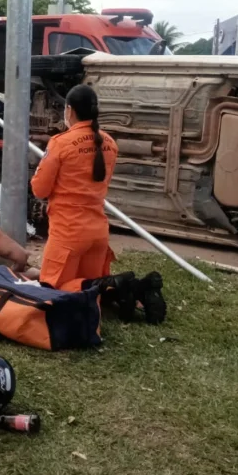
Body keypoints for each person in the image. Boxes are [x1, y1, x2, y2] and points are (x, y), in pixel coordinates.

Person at [31, 85, 166, 322]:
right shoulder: (110, 143)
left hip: (68, 235)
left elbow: (39, 189)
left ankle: (114, 285)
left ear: (69, 111)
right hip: (98, 234)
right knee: (89, 288)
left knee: (53, 291)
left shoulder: (60, 143)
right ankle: (135, 290)